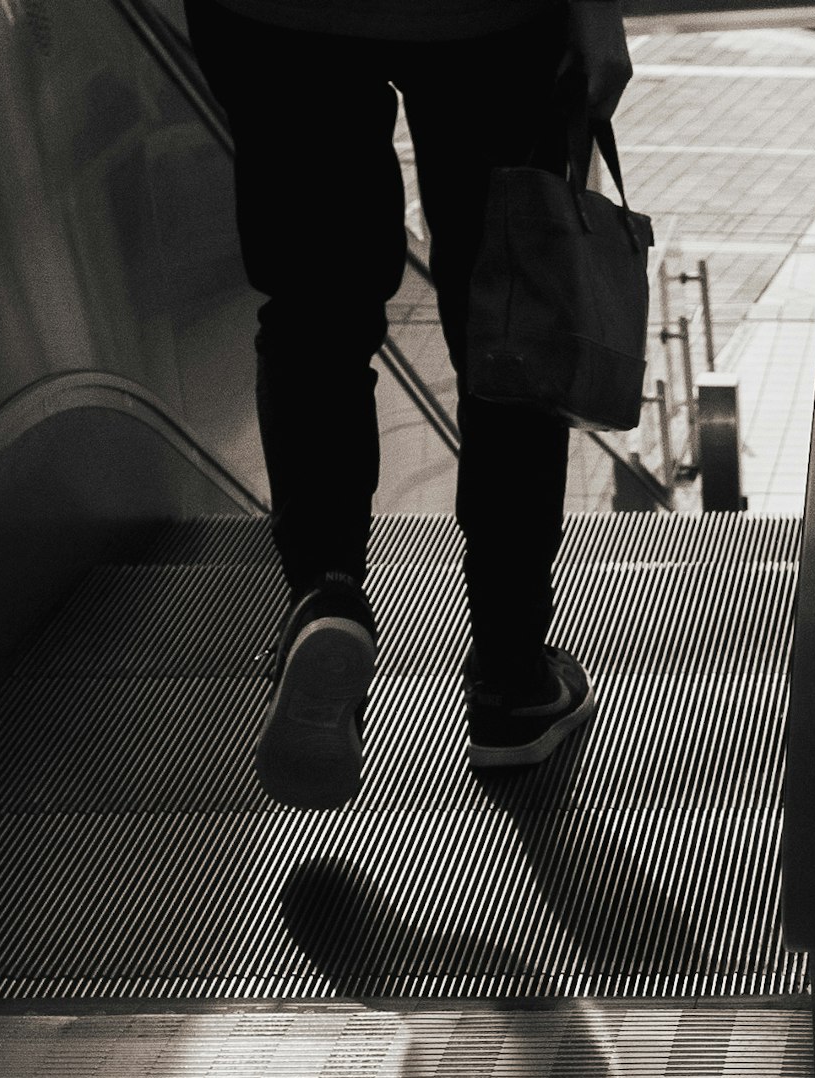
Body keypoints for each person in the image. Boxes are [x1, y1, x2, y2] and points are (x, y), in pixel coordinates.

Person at [187, 0, 627, 809]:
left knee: (315, 308)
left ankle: (325, 594)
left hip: (272, 20)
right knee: (509, 313)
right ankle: (510, 674)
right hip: (484, 23)